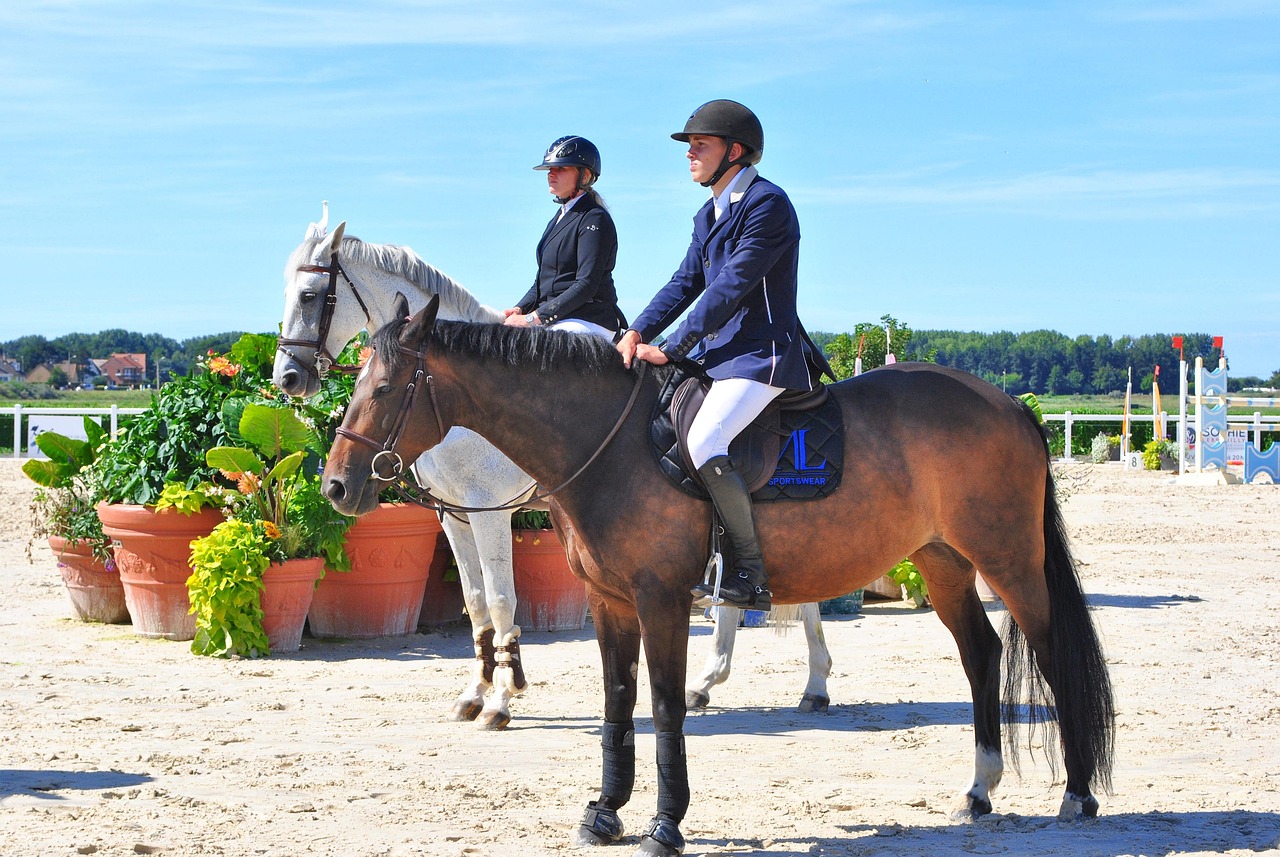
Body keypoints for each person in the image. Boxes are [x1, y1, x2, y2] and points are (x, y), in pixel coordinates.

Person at [617, 99, 819, 611]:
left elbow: (729, 288)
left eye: (699, 145)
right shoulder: (709, 213)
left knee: (706, 438)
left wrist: (673, 347)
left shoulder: (767, 205)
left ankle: (750, 572)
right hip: (719, 357)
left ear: (734, 151)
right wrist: (637, 330)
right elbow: (685, 281)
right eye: (689, 146)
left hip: (760, 356)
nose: (690, 155)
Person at [504, 135, 625, 339]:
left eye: (560, 168)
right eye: (550, 169)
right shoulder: (558, 218)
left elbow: (586, 285)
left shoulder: (594, 218)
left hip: (587, 319)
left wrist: (533, 319)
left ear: (585, 176)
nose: (552, 174)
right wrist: (519, 309)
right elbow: (542, 283)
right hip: (557, 318)